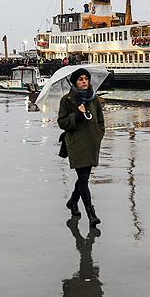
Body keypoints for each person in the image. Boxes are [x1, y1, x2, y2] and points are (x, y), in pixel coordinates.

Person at [57, 68, 105, 226]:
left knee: (83, 177)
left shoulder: (94, 99)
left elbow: (100, 121)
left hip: (91, 143)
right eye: (80, 79)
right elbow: (62, 122)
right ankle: (91, 214)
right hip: (76, 143)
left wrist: (99, 135)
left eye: (86, 79)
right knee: (83, 179)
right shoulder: (67, 100)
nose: (84, 81)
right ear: (75, 82)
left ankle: (72, 201)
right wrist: (76, 115)